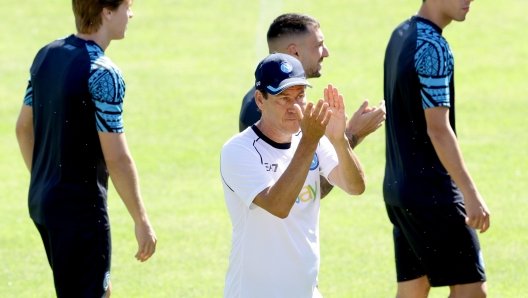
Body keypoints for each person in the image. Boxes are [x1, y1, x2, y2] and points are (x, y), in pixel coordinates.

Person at [15, 0, 157, 296]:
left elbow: (22, 128)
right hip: (79, 214)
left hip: (44, 203)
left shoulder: (46, 54)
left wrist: (46, 180)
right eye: (127, 6)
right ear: (106, 11)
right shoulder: (103, 72)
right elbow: (116, 157)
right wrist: (141, 220)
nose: (130, 14)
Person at [221, 52, 365, 297]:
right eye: (283, 98)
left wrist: (339, 140)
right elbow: (277, 205)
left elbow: (355, 187)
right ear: (259, 99)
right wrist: (309, 141)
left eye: (300, 96)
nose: (294, 107)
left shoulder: (313, 138)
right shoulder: (238, 150)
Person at [383, 0, 490, 297]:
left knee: (414, 289)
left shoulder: (400, 34)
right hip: (432, 194)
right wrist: (470, 193)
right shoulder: (433, 47)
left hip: (399, 190)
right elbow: (438, 129)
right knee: (472, 290)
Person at [240, 13, 386, 199]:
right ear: (294, 52)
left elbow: (353, 186)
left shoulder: (283, 104)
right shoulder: (262, 110)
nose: (326, 52)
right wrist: (354, 133)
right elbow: (302, 191)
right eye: (318, 45)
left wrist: (341, 137)